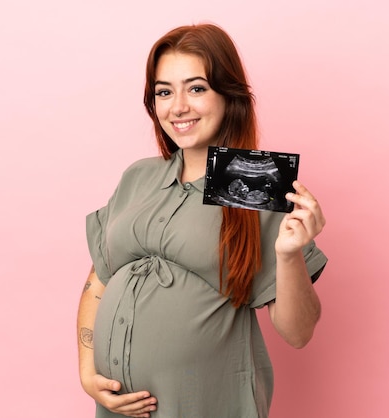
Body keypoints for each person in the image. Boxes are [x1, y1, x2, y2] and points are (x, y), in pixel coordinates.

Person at [77, 23, 328, 418]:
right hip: (119, 409)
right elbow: (99, 279)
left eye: (196, 88)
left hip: (208, 404)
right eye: (164, 91)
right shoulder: (140, 176)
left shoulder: (251, 182)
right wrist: (88, 372)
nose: (178, 106)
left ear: (228, 95)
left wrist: (290, 254)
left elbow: (298, 333)